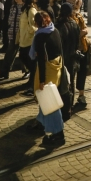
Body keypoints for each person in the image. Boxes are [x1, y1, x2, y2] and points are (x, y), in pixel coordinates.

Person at [32, 11, 66, 145]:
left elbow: (41, 60)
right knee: (46, 99)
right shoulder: (54, 30)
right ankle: (41, 122)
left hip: (47, 71)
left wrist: (41, 81)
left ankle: (59, 134)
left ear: (38, 23)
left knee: (50, 102)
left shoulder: (41, 36)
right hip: (56, 67)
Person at [67, 0, 89, 106]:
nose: (78, 6)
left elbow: (85, 28)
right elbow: (75, 33)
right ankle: (70, 96)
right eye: (76, 4)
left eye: (78, 4)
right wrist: (81, 33)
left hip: (83, 48)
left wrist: (83, 32)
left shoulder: (79, 16)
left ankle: (81, 94)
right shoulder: (68, 18)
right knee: (71, 74)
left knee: (82, 72)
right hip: (73, 50)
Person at [0, 0, 24, 80]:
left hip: (22, 34)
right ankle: (4, 72)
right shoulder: (13, 6)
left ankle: (27, 70)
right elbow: (10, 19)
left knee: (24, 54)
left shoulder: (25, 7)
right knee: (9, 53)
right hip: (13, 34)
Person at [20, 0, 38, 96]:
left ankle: (32, 84)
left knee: (31, 63)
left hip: (29, 41)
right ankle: (32, 81)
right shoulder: (25, 10)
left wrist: (28, 33)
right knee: (24, 58)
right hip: (23, 40)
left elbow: (33, 26)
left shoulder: (31, 11)